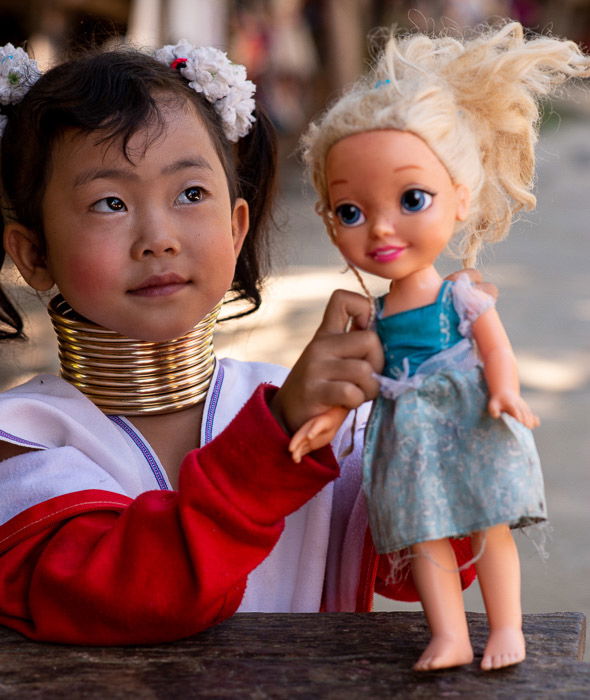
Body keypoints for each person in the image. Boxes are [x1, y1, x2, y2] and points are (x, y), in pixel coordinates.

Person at [0, 39, 477, 646]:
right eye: (110, 203)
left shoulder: (310, 410)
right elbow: (140, 593)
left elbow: (418, 566)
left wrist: (436, 408)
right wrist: (277, 437)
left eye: (191, 194)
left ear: (236, 226)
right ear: (33, 254)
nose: (159, 237)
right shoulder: (19, 442)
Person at [288, 22, 590, 671]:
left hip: (470, 418)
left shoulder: (459, 295)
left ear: (459, 199)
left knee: (489, 522)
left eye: (411, 198)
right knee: (425, 535)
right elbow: (363, 379)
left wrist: (506, 390)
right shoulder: (369, 315)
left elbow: (495, 348)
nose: (382, 227)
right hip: (406, 438)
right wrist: (328, 418)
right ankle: (449, 633)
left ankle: (505, 626)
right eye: (350, 211)